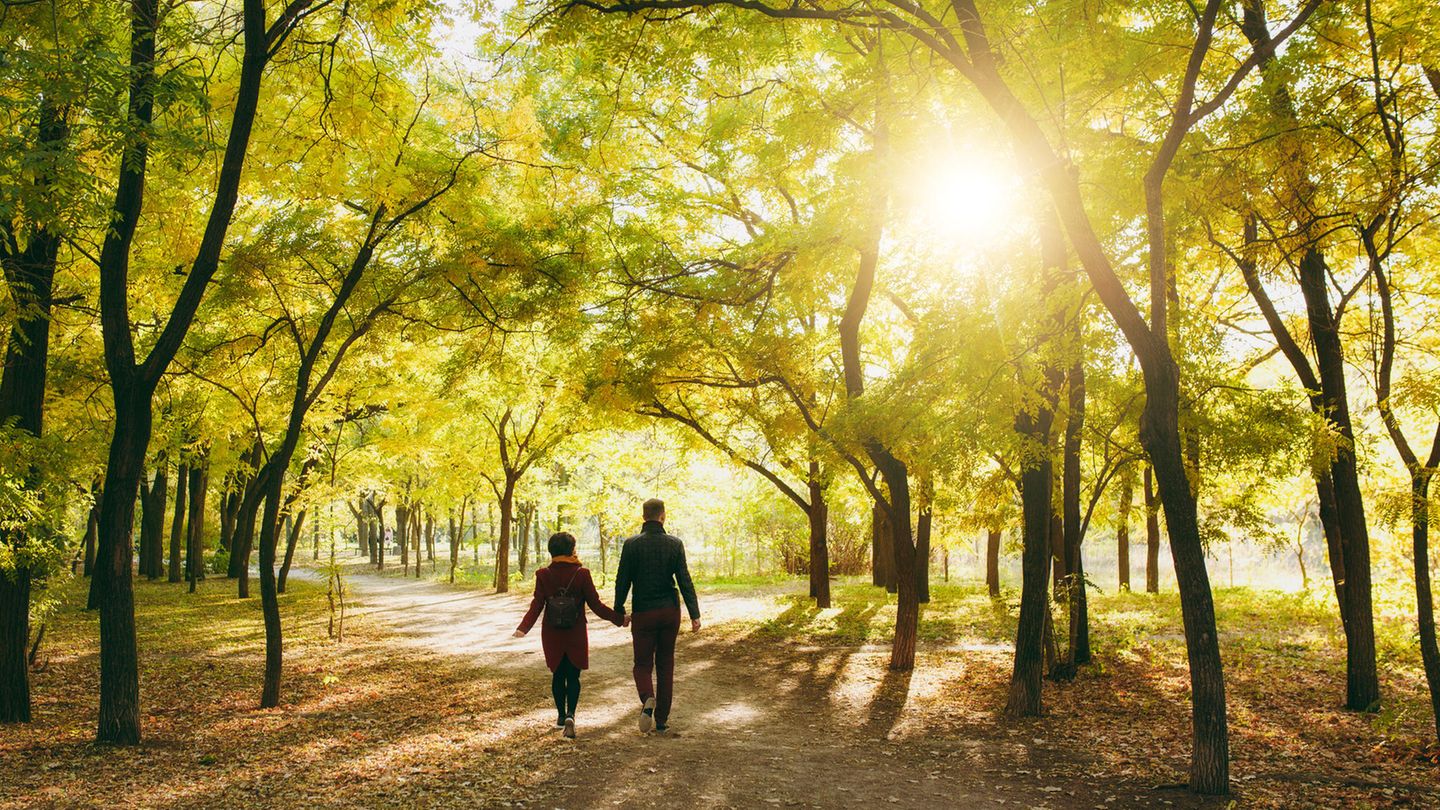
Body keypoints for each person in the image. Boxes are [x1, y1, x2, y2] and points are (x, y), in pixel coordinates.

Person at [513, 531, 623, 739]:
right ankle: (572, 713)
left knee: (558, 674)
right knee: (573, 675)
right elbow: (596, 605)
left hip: (552, 632)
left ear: (551, 551)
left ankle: (561, 716)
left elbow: (537, 605)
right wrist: (619, 619)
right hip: (575, 631)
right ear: (572, 549)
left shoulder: (543, 574)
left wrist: (523, 628)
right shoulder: (582, 573)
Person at [614, 498, 701, 735]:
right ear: (662, 516)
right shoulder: (675, 544)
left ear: (644, 517)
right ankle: (661, 720)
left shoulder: (631, 545)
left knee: (642, 664)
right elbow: (684, 580)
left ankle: (647, 697)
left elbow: (623, 579)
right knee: (665, 664)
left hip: (643, 611)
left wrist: (618, 608)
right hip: (669, 612)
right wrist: (695, 614)